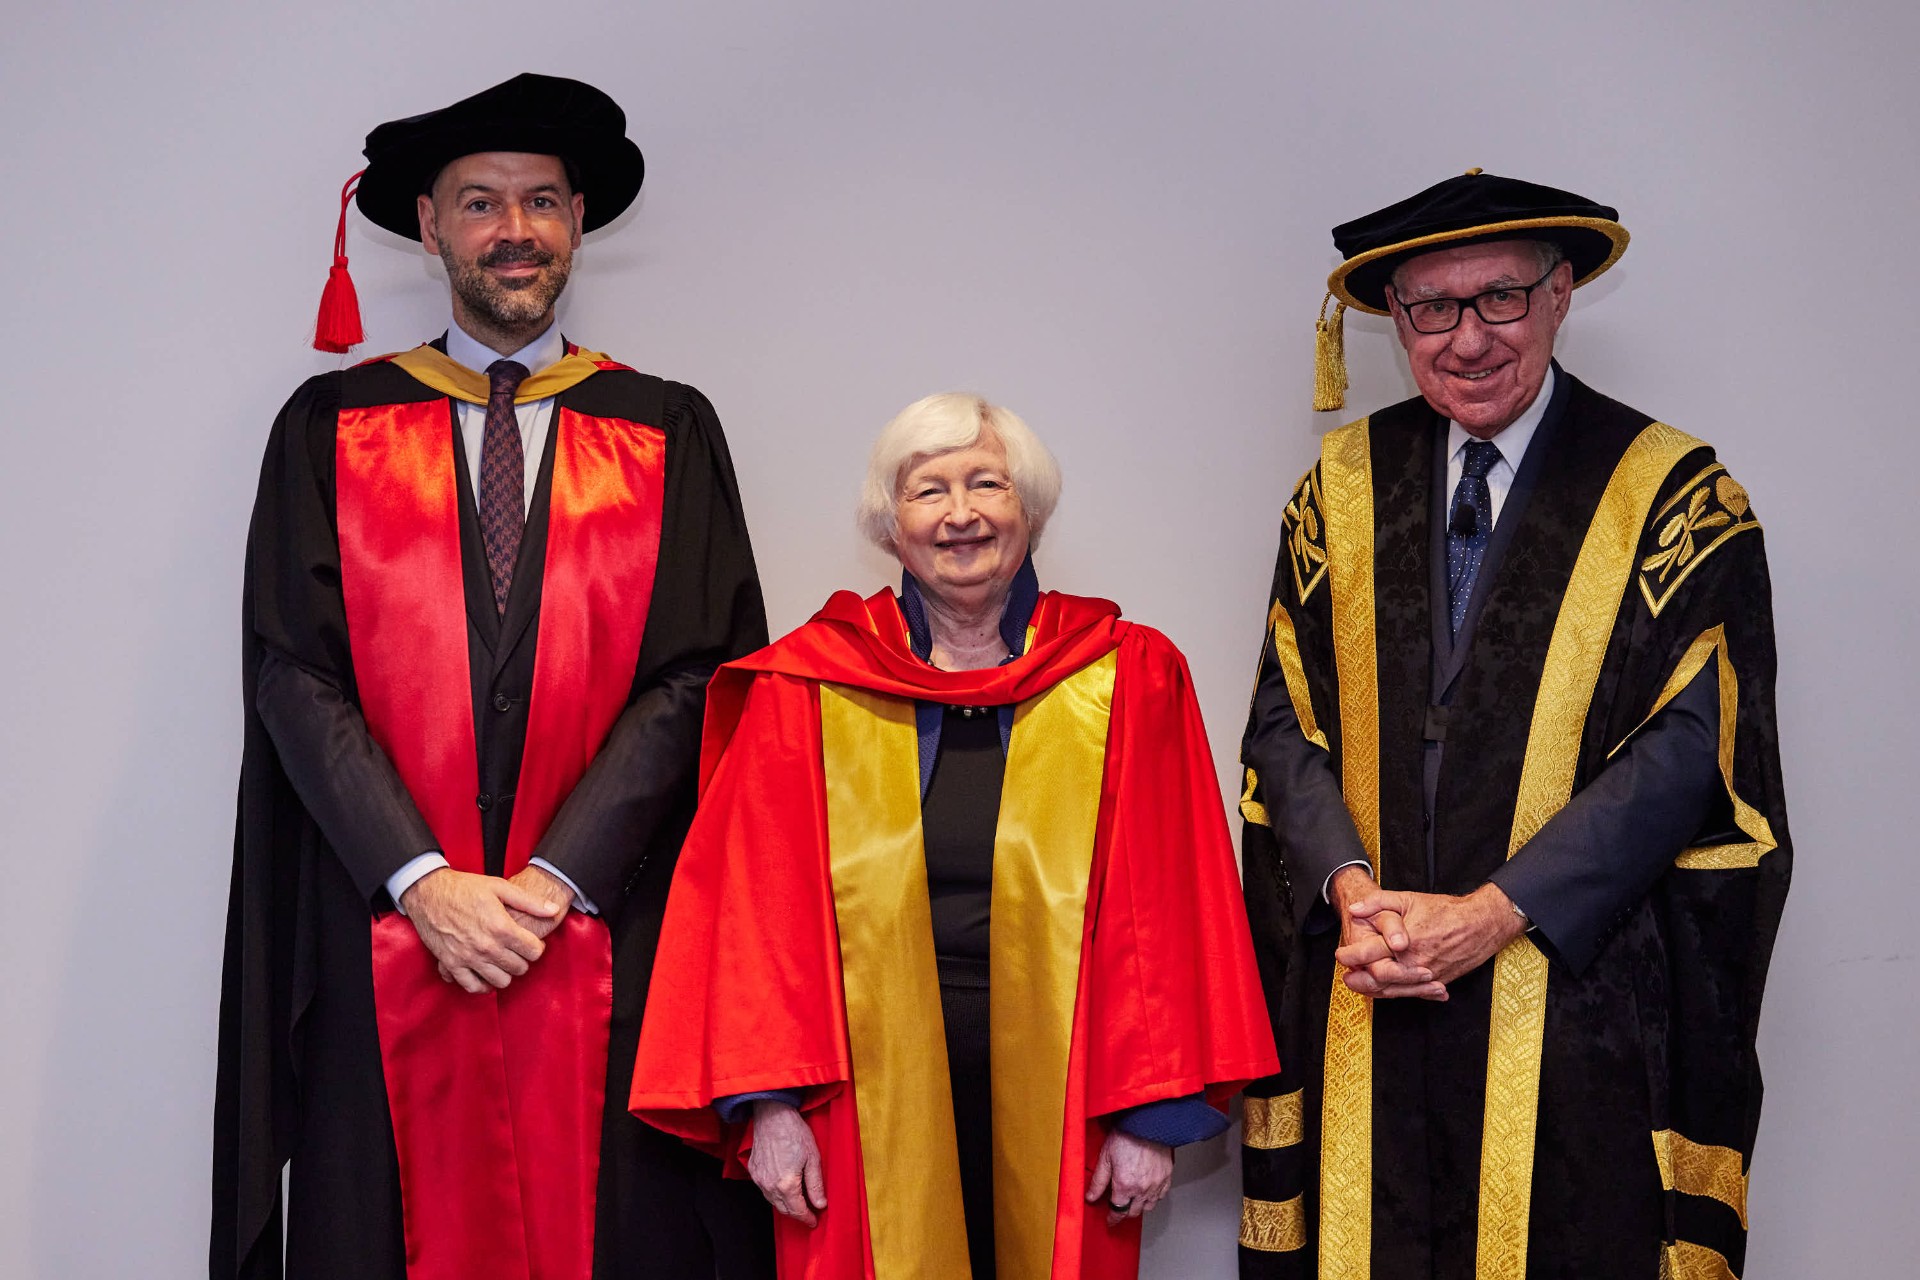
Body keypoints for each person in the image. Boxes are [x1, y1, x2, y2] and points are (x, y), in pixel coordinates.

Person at [210, 74, 774, 1280]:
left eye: (541, 202)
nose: (514, 230)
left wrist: (557, 878)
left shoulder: (666, 427)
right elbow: (294, 671)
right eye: (480, 203)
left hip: (604, 926)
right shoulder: (331, 425)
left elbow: (700, 672)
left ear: (578, 221)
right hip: (388, 931)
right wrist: (423, 882)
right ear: (429, 227)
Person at [1235, 171, 1790, 1279]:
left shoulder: (1671, 495)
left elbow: (1693, 749)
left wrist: (1494, 912)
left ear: (1561, 294)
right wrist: (1353, 893)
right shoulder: (1338, 488)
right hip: (1372, 983)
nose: (1468, 338)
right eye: (1432, 308)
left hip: (1575, 993)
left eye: (1500, 297)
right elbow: (1283, 722)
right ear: (1395, 319)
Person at [627, 393, 1278, 1279]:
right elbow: (753, 914)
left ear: (1030, 511)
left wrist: (1151, 1116)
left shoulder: (1127, 675)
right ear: (889, 525)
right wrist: (769, 1108)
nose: (961, 513)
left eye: (987, 485)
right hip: (855, 1095)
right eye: (929, 490)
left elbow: (1167, 906)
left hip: (1075, 1091)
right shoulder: (809, 687)